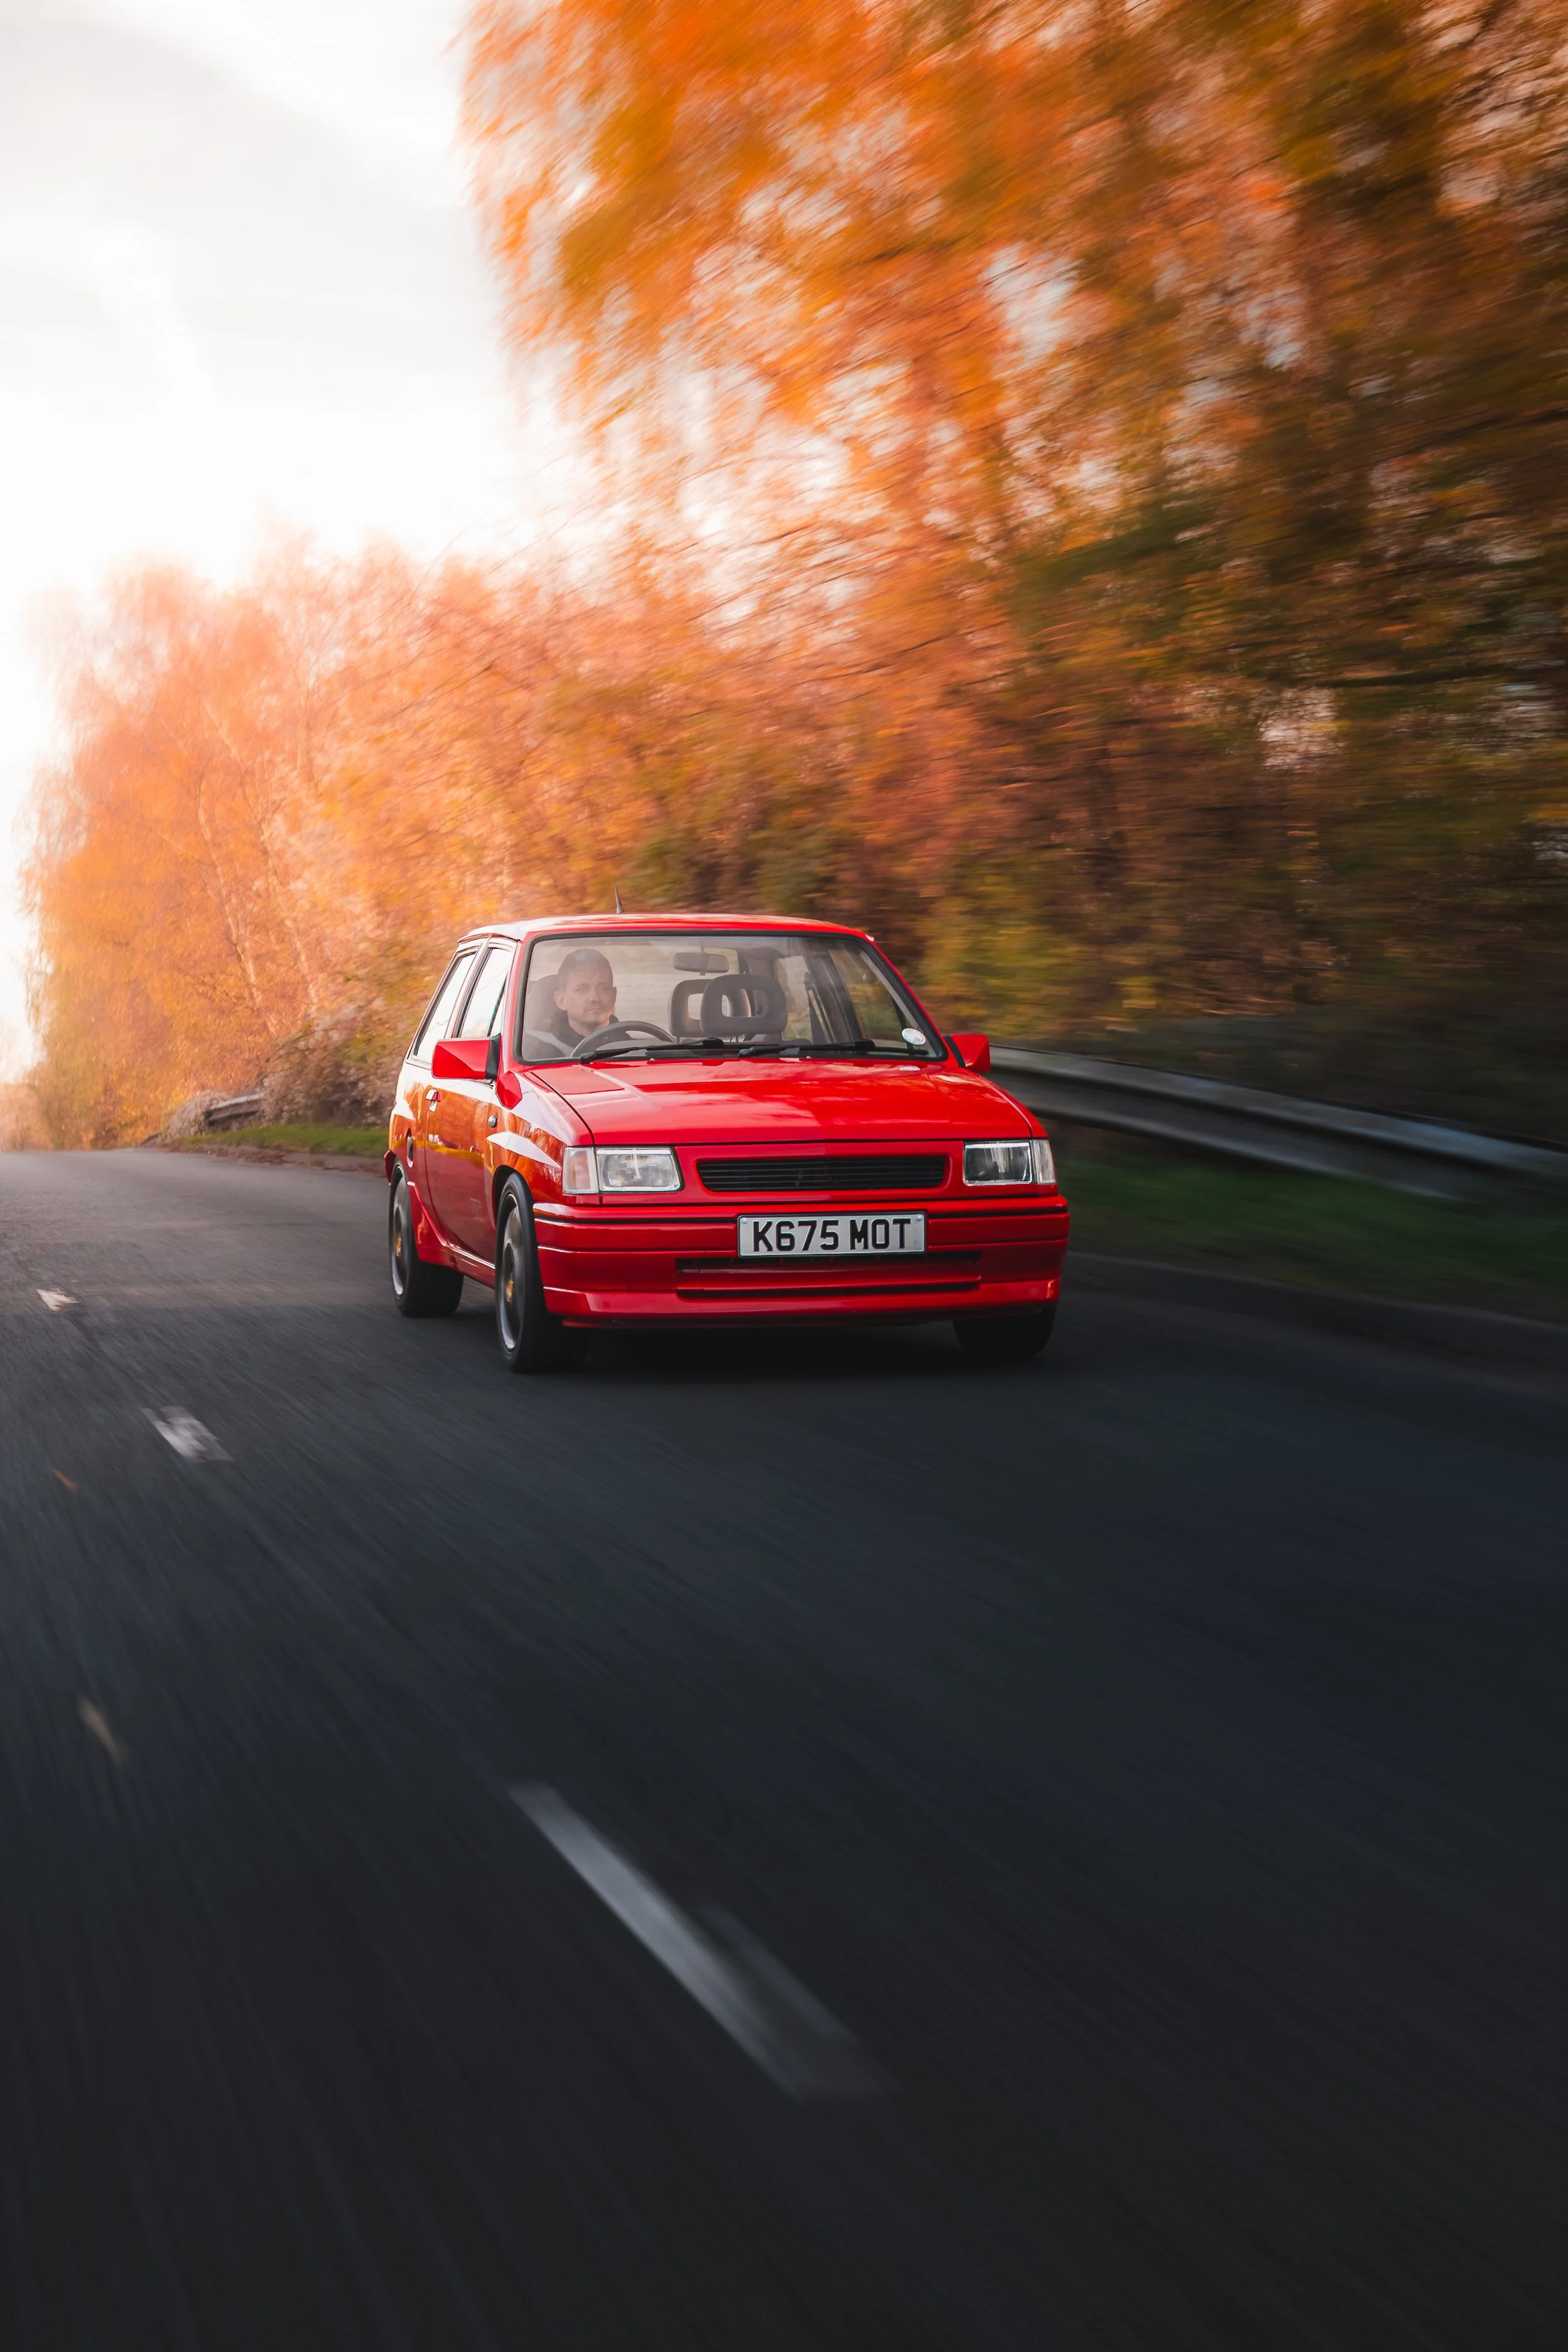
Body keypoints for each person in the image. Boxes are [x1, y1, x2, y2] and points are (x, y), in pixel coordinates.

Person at [549, 946, 617, 1044]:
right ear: (561, 1001)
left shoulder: (636, 1051)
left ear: (614, 996)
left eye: (603, 988)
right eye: (582, 989)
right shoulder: (538, 1054)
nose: (595, 998)